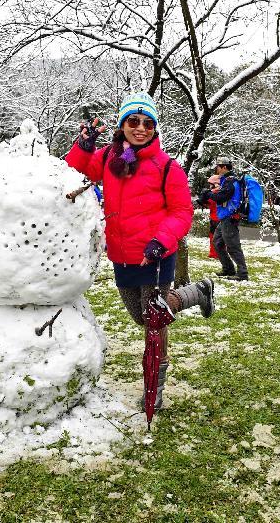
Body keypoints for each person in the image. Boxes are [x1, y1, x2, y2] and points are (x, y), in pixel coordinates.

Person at [65, 91, 215, 411]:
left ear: (155, 128)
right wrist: (84, 146)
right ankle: (198, 291)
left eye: (148, 123)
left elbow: (181, 212)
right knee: (140, 317)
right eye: (133, 121)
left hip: (156, 255)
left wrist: (162, 239)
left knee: (154, 322)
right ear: (122, 124)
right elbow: (72, 173)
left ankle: (154, 391)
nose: (141, 128)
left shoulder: (167, 167)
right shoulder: (107, 158)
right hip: (122, 255)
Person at [208, 157, 248, 281]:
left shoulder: (230, 181)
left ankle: (242, 274)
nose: (217, 169)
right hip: (225, 217)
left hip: (230, 217)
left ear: (224, 167)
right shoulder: (227, 180)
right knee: (217, 243)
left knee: (233, 246)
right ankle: (228, 269)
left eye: (218, 167)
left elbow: (222, 197)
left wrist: (209, 194)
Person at [196, 177, 220, 259]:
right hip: (218, 217)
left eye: (211, 184)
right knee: (220, 237)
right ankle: (218, 253)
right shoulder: (221, 192)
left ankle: (214, 253)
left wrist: (203, 199)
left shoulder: (214, 193)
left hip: (215, 218)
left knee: (213, 236)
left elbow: (208, 203)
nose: (210, 186)